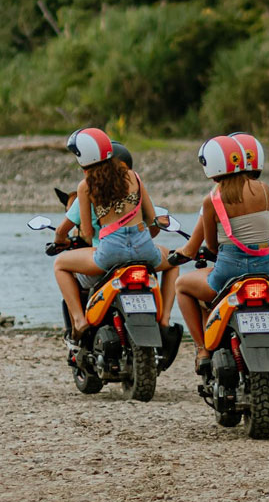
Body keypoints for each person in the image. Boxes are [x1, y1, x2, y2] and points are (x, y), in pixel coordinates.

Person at [169, 133, 269, 373]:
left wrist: (180, 252)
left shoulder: (212, 200)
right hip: (267, 272)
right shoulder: (265, 191)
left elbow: (207, 247)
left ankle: (202, 349)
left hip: (226, 275)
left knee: (182, 285)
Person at [53, 132, 182, 361]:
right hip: (145, 250)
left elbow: (87, 232)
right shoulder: (133, 176)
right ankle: (164, 320)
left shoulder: (86, 186)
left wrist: (61, 239)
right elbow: (153, 222)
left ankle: (79, 321)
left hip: (109, 254)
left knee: (60, 264)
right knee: (173, 261)